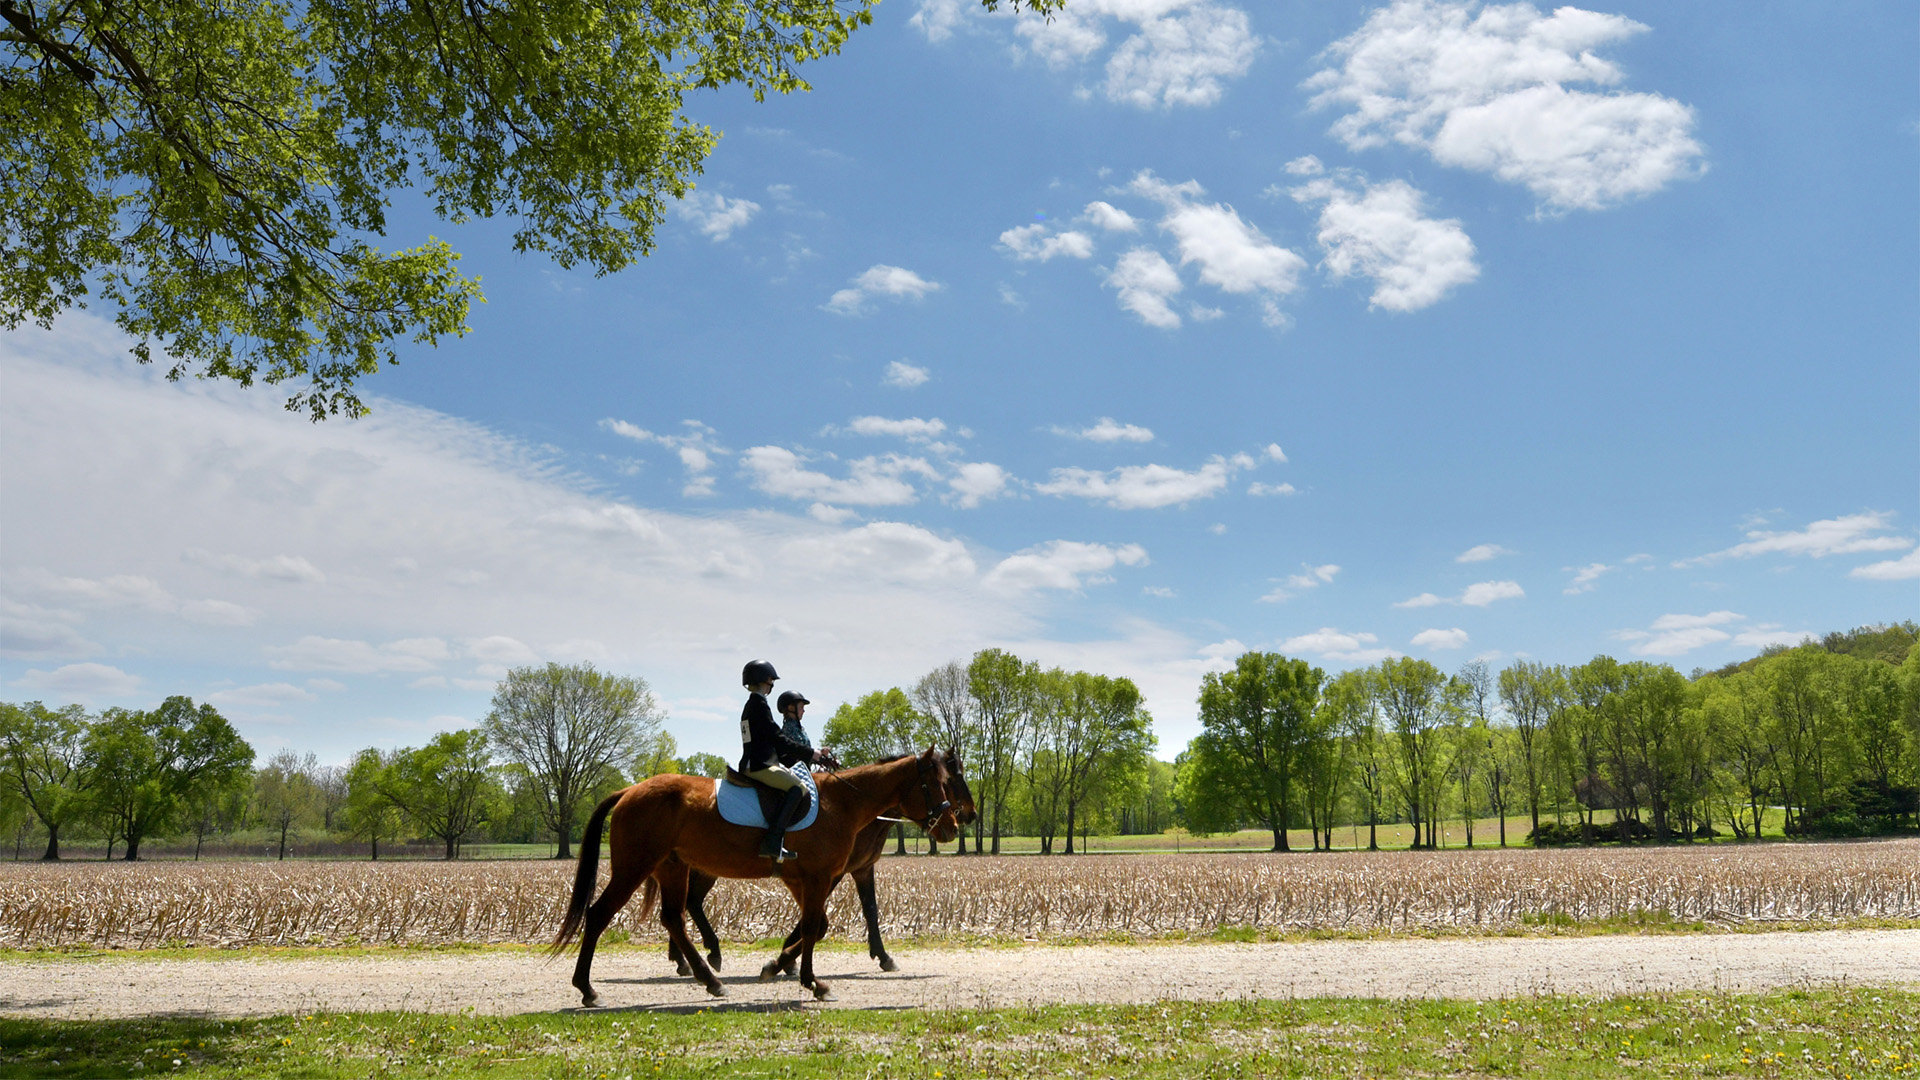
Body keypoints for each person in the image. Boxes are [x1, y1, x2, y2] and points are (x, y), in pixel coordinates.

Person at [737, 660, 833, 862]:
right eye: (771, 679)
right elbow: (778, 739)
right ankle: (772, 841)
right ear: (764, 680)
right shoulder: (759, 704)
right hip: (760, 765)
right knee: (797, 788)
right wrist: (811, 753)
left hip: (753, 762)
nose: (772, 683)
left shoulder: (751, 705)